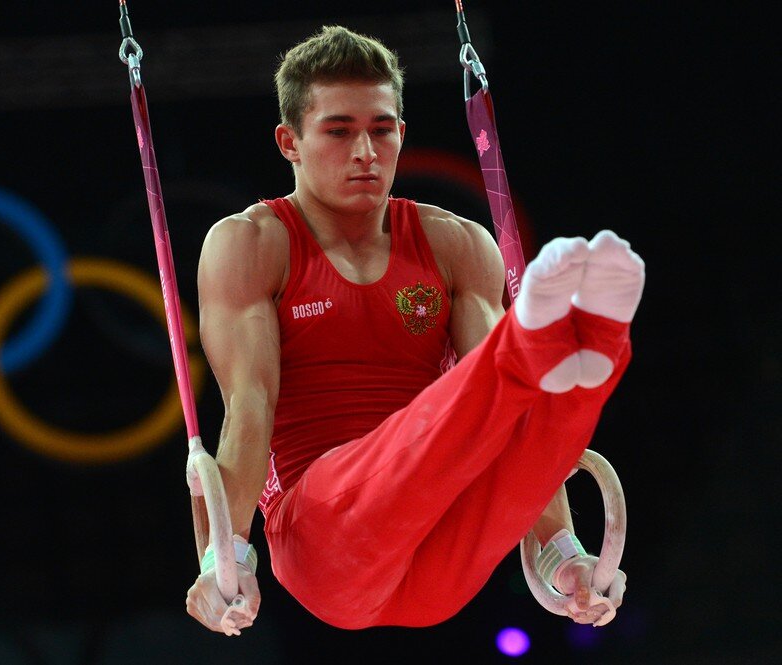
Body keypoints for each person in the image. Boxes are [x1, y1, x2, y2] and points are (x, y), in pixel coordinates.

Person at [185, 25, 643, 634]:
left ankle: (595, 339)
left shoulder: (455, 244)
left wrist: (563, 555)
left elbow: (506, 422)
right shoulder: (251, 244)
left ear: (401, 132)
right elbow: (249, 406)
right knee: (437, 425)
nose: (365, 152)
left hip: (441, 555)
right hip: (325, 542)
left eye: (381, 129)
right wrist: (226, 557)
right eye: (339, 131)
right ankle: (535, 340)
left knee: (520, 410)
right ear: (289, 141)